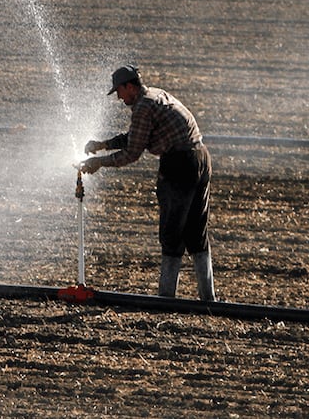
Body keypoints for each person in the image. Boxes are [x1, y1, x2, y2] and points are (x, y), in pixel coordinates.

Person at [79, 64, 216, 300]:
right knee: (196, 232)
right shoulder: (156, 95)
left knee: (171, 233)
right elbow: (137, 137)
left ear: (129, 86)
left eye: (119, 91)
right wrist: (103, 145)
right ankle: (209, 300)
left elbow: (132, 153)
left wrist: (99, 162)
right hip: (200, 158)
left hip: (179, 165)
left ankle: (166, 298)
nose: (119, 97)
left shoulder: (143, 107)